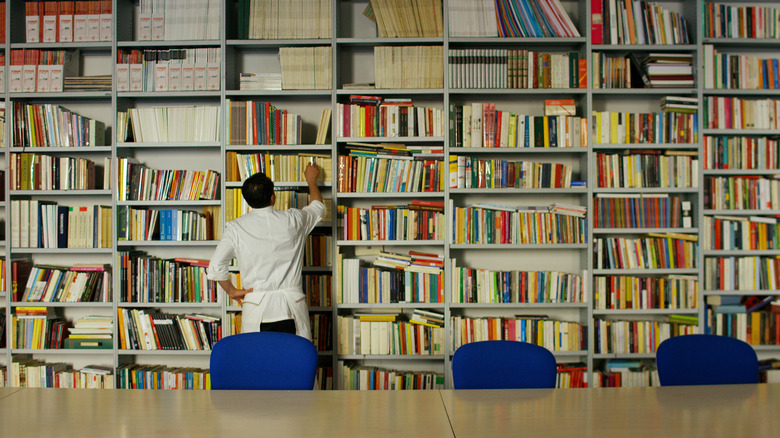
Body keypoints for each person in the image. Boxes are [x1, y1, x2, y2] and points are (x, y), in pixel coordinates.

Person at [207, 163, 325, 340]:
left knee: (259, 364)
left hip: (257, 309)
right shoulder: (294, 219)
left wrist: (232, 291)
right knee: (294, 364)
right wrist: (311, 180)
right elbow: (318, 208)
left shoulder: (236, 228)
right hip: (291, 309)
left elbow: (216, 266)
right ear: (273, 197)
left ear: (247, 201)